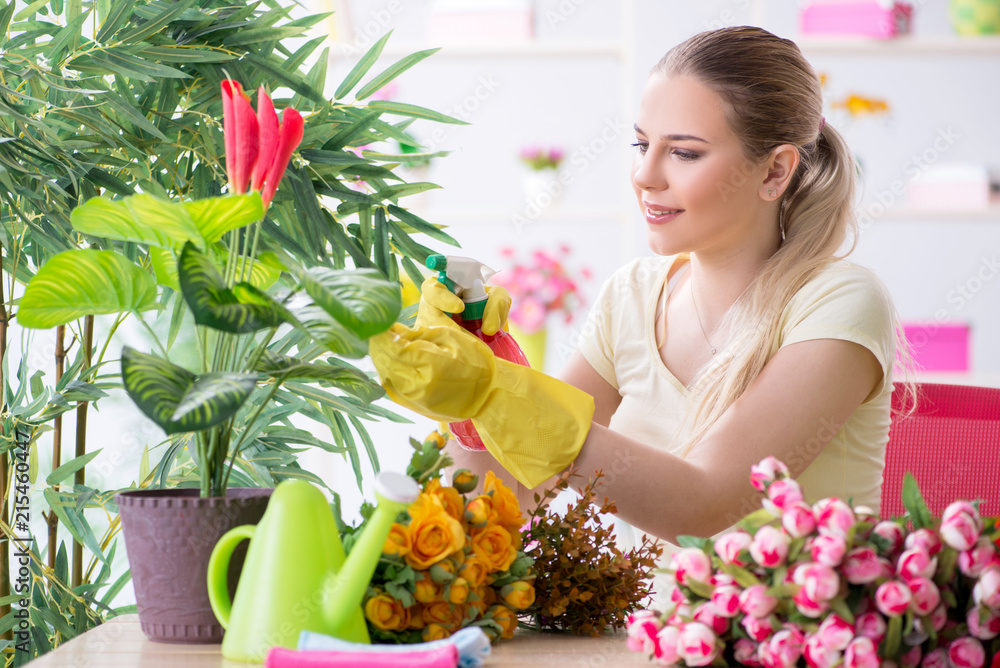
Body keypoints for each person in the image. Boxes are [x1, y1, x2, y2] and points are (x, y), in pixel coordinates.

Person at [369, 25, 910, 582]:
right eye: (641, 144)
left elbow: (707, 505)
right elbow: (509, 499)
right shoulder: (632, 297)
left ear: (774, 170)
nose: (645, 176)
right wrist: (472, 394)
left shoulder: (839, 302)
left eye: (683, 152)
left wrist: (503, 394)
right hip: (652, 643)